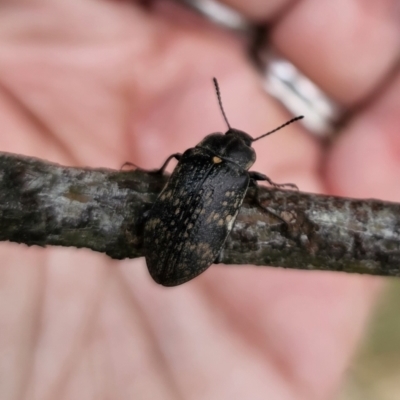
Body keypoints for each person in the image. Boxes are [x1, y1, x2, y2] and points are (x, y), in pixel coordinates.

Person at [0, 0, 398, 398]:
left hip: (173, 241)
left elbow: (180, 164)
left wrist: (158, 177)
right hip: (188, 248)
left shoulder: (192, 158)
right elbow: (253, 193)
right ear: (244, 163)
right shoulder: (238, 177)